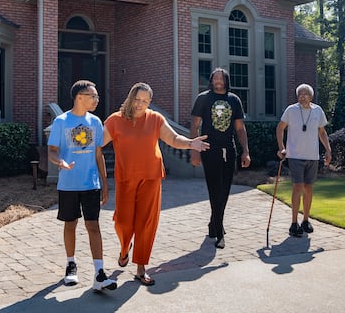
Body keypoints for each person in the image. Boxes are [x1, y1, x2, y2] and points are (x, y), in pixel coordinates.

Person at [103, 83, 209, 286]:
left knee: (146, 223)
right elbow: (97, 142)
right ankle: (125, 248)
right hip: (126, 178)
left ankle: (141, 267)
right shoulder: (115, 120)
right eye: (138, 99)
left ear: (150, 102)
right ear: (130, 97)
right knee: (123, 221)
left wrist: (190, 143)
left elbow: (173, 138)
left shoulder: (155, 119)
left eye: (145, 101)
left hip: (151, 177)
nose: (141, 104)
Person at [48, 80, 117, 292]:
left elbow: (98, 155)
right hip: (68, 184)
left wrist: (105, 184)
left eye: (97, 96)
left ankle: (99, 273)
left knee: (93, 225)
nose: (97, 99)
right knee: (70, 224)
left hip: (90, 184)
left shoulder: (96, 122)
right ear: (80, 97)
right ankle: (71, 264)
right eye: (93, 96)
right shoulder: (61, 121)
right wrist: (60, 162)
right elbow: (51, 150)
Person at [190, 67, 251, 249]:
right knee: (214, 189)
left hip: (229, 149)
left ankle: (213, 223)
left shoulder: (234, 100)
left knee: (224, 189)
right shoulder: (203, 98)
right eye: (215, 78)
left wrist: (245, 151)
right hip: (209, 149)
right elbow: (194, 125)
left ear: (226, 81)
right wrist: (194, 150)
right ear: (211, 80)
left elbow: (240, 128)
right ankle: (219, 231)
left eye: (221, 78)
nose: (218, 81)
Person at [276, 83, 332, 237]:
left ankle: (305, 220)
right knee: (298, 186)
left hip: (312, 156)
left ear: (311, 96)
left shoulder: (318, 111)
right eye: (300, 93)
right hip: (294, 155)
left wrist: (328, 149)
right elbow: (280, 128)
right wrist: (281, 148)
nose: (302, 96)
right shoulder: (291, 110)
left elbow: (322, 132)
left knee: (308, 188)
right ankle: (294, 223)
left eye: (305, 93)